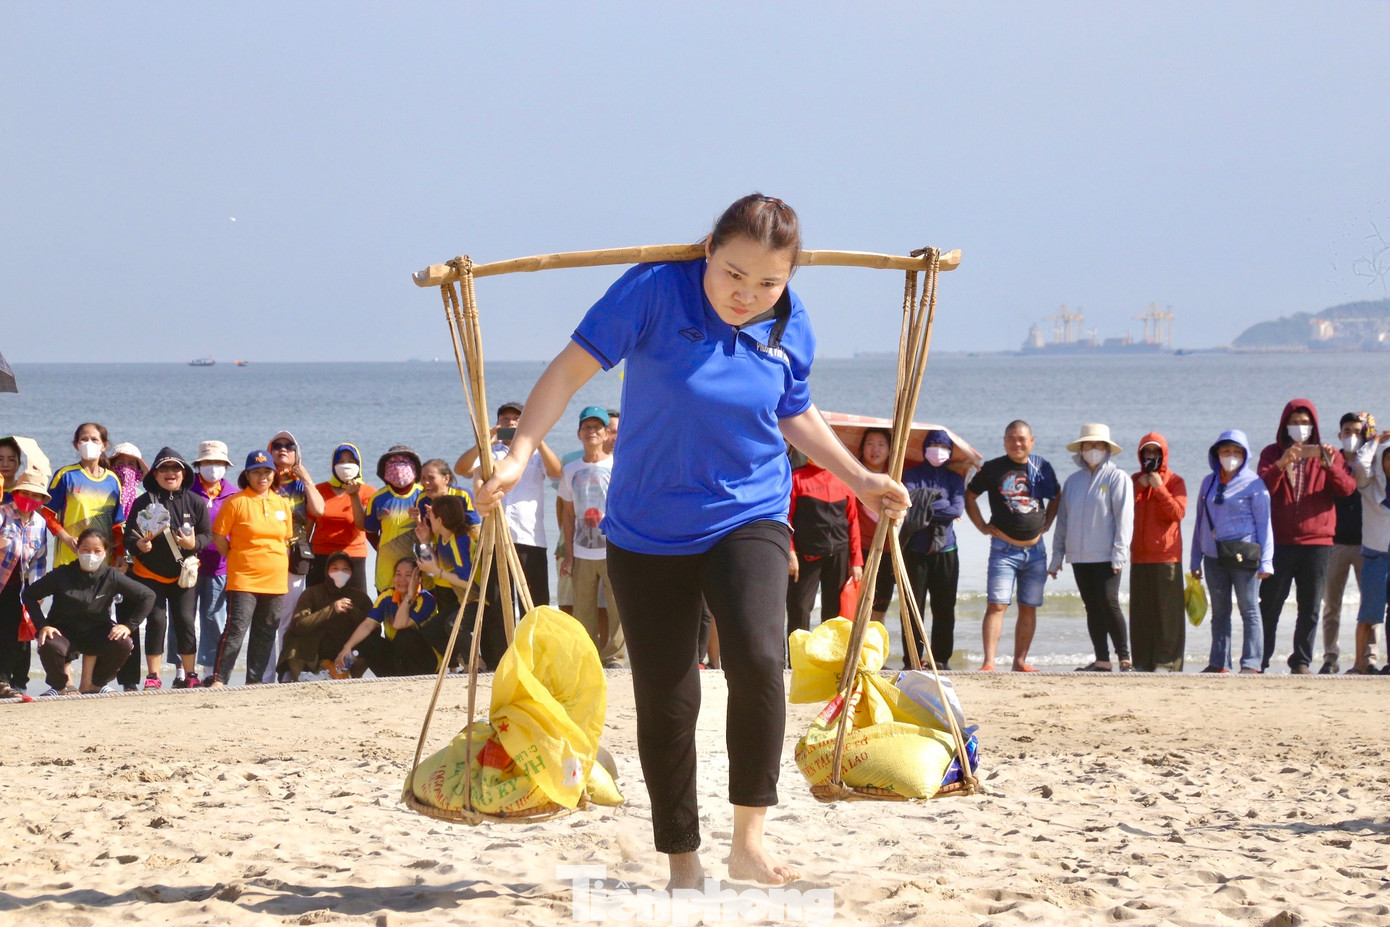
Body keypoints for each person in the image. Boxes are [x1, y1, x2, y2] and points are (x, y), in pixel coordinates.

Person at [475, 194, 909, 888]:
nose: (748, 295)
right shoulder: (653, 290)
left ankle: (749, 839)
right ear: (707, 247)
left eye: (769, 282)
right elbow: (566, 372)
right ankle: (682, 855)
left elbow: (794, 411)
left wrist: (860, 478)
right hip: (646, 529)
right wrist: (520, 453)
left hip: (749, 513)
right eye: (734, 274)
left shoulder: (791, 323)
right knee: (669, 694)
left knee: (762, 659)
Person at [1256, 400, 1357, 673]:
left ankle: (1301, 660)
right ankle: (1260, 659)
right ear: (1284, 425)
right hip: (1280, 541)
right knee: (1270, 603)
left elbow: (1347, 488)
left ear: (1313, 425)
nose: (1299, 428)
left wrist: (1328, 465)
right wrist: (1281, 463)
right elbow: (1262, 488)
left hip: (1318, 542)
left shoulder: (1329, 453)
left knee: (1310, 606)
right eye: (1294, 422)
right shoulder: (1271, 453)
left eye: (1304, 423)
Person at [964, 420, 1059, 673]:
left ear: (1031, 441)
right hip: (1003, 549)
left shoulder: (1041, 467)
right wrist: (982, 526)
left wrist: (1048, 522)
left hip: (1036, 550)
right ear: (1004, 441)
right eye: (1011, 438)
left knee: (1029, 606)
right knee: (997, 604)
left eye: (1022, 439)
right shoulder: (993, 468)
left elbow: (1056, 495)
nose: (1017, 443)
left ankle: (1020, 662)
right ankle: (989, 663)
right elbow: (970, 496)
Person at [454, 400, 563, 608]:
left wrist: (536, 438)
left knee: (534, 604)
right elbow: (461, 469)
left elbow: (556, 473)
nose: (511, 423)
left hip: (530, 538)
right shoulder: (488, 455)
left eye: (516, 419)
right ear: (498, 424)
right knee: (496, 604)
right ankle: (500, 642)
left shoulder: (536, 454)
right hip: (495, 539)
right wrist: (484, 442)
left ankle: (532, 642)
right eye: (505, 419)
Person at [24, 529, 155, 696]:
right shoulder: (61, 574)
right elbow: (29, 595)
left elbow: (148, 596)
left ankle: (95, 684)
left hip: (97, 632)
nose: (90, 555)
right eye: (85, 550)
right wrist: (42, 626)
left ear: (105, 553)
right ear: (77, 549)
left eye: (97, 551)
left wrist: (129, 626)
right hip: (63, 632)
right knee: (48, 642)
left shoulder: (111, 575)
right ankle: (60, 687)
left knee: (124, 642)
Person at [1049, 424, 1134, 672]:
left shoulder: (1117, 478)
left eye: (1098, 445)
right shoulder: (1073, 482)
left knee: (1109, 602)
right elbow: (1063, 521)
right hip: (1079, 556)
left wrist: (1120, 554)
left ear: (1107, 449)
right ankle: (1102, 660)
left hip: (1107, 555)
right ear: (1081, 450)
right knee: (1092, 606)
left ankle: (1125, 657)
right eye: (1088, 445)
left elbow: (1124, 519)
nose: (1093, 450)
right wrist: (1057, 557)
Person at [123, 448, 211, 689]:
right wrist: (140, 545)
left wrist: (195, 544)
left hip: (183, 574)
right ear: (155, 473)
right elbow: (128, 538)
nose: (170, 473)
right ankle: (153, 676)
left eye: (175, 469)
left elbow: (207, 535)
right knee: (156, 621)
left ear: (183, 473)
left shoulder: (195, 501)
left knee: (185, 620)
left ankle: (191, 674)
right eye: (164, 469)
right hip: (149, 574)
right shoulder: (144, 502)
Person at [1191, 431, 1274, 674]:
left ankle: (1251, 663)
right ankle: (1219, 663)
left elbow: (1264, 524)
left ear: (1245, 455)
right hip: (1213, 556)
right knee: (1219, 612)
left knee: (1249, 609)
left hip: (1244, 555)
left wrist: (1266, 562)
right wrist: (1195, 558)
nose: (1231, 456)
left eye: (1237, 452)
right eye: (1226, 451)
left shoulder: (1254, 483)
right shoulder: (1208, 482)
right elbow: (1199, 522)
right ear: (1217, 453)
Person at [210, 450, 293, 687]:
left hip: (275, 579)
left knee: (266, 631)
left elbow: (284, 539)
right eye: (256, 472)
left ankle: (254, 681)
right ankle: (219, 679)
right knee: (236, 629)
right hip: (243, 578)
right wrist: (236, 558)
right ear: (247, 475)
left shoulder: (282, 504)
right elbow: (218, 537)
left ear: (273, 474)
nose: (262, 477)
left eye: (266, 472)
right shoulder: (235, 502)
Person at [558, 405, 627, 668]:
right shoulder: (571, 469)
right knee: (582, 610)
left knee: (617, 609)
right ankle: (587, 657)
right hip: (582, 550)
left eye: (597, 427)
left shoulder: (617, 465)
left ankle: (615, 658)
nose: (592, 432)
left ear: (606, 432)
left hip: (612, 549)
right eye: (587, 427)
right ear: (579, 433)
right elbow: (567, 513)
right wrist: (568, 553)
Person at [898, 430, 965, 670]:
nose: (938, 449)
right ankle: (912, 659)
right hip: (915, 548)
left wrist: (929, 505)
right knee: (912, 607)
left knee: (944, 607)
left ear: (950, 451)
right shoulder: (912, 474)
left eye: (943, 445)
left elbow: (956, 510)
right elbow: (911, 503)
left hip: (946, 549)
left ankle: (941, 659)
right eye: (934, 444)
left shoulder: (955, 479)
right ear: (925, 447)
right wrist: (940, 504)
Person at [785, 442, 863, 645]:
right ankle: (796, 661)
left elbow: (853, 521)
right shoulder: (796, 479)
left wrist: (857, 561)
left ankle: (831, 658)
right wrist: (790, 552)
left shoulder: (844, 480)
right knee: (799, 607)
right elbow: (786, 519)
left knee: (835, 611)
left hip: (838, 554)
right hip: (805, 555)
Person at [264, 431, 325, 682]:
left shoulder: (301, 485)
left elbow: (319, 510)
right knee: (267, 618)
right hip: (267, 555)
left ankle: (287, 669)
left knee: (290, 619)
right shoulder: (264, 482)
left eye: (288, 446)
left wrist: (307, 477)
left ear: (296, 453)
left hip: (295, 556)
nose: (283, 449)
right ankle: (263, 674)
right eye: (277, 446)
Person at [1128, 432, 1188, 672]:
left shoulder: (1175, 481)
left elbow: (1177, 514)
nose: (1151, 457)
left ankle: (1167, 662)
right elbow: (1117, 510)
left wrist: (1160, 488)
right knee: (1142, 613)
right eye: (1147, 452)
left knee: (1168, 614)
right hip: (1138, 556)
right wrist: (1138, 487)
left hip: (1167, 556)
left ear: (1163, 454)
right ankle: (1142, 661)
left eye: (1155, 452)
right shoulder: (1133, 480)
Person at [1320, 413, 1376, 673]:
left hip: (1368, 543)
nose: (1351, 435)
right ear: (1340, 433)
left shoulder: (1372, 461)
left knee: (1370, 604)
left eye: (1356, 430)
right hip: (1336, 542)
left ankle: (1369, 658)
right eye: (1346, 431)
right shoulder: (1333, 460)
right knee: (1332, 604)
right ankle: (1330, 657)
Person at [277, 550, 374, 681]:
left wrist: (353, 610)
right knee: (294, 640)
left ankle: (353, 678)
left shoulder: (360, 597)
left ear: (352, 573)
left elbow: (374, 628)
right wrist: (331, 609)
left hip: (347, 649)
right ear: (327, 571)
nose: (340, 573)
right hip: (318, 648)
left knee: (371, 643)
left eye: (345, 569)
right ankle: (296, 678)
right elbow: (298, 625)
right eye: (335, 568)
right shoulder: (312, 593)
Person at [335, 558, 439, 678]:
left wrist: (410, 595)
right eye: (398, 574)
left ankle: (412, 678)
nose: (401, 580)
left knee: (404, 636)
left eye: (408, 575)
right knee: (368, 640)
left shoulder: (426, 599)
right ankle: (389, 679)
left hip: (426, 660)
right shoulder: (387, 596)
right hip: (399, 655)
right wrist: (347, 647)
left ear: (418, 579)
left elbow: (399, 624)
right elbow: (368, 624)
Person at [0, 464, 51, 699]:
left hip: (19, 585)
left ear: (41, 499)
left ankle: (11, 681)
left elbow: (40, 559)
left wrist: (38, 590)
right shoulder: (3, 513)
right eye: (25, 493)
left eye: (35, 495)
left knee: (17, 632)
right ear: (17, 493)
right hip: (2, 579)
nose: (29, 499)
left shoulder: (40, 523)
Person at [415, 492, 482, 666]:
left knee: (454, 625)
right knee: (431, 630)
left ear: (440, 520)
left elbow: (467, 582)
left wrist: (438, 572)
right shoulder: (445, 539)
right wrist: (424, 542)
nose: (428, 518)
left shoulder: (460, 541)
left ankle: (474, 665)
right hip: (465, 600)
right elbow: (433, 567)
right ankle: (457, 663)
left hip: (480, 599)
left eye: (432, 515)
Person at [44, 423, 124, 568]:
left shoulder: (112, 480)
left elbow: (117, 523)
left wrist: (119, 554)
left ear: (104, 445)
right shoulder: (66, 475)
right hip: (68, 558)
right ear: (76, 445)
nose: (89, 443)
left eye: (94, 440)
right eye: (84, 439)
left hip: (102, 560)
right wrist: (66, 538)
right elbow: (46, 513)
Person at [189, 440, 236, 684]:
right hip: (187, 566)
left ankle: (209, 671)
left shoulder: (233, 494)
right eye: (208, 462)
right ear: (199, 465)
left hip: (220, 566)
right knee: (184, 619)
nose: (213, 468)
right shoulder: (187, 490)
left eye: (218, 463)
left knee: (214, 618)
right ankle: (182, 672)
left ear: (226, 467)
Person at [307, 443, 373, 594]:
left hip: (353, 555)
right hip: (320, 555)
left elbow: (362, 524)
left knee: (355, 607)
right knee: (317, 605)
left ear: (358, 464)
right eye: (340, 462)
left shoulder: (367, 491)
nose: (345, 466)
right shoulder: (319, 490)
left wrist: (354, 495)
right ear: (333, 465)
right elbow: (308, 526)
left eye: (350, 461)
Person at [359, 444, 423, 595]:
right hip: (387, 570)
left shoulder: (423, 495)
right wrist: (385, 550)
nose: (399, 466)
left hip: (419, 568)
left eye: (405, 461)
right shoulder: (378, 498)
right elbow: (370, 531)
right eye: (393, 462)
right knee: (389, 613)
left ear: (414, 467)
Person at [1350, 432, 1390, 674]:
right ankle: (1359, 664)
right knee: (1369, 614)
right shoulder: (1370, 487)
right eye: (1387, 458)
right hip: (1375, 556)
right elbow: (1361, 465)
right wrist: (1375, 442)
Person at [857, 428, 897, 624]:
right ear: (862, 447)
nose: (875, 449)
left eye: (881, 444)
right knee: (854, 607)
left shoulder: (895, 478)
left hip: (887, 551)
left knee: (880, 608)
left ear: (890, 450)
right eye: (870, 443)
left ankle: (873, 652)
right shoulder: (853, 476)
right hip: (857, 552)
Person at [0, 436, 23, 502]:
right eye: (0, 459)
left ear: (19, 464)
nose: (5, 464)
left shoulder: (25, 492)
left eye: (11, 460)